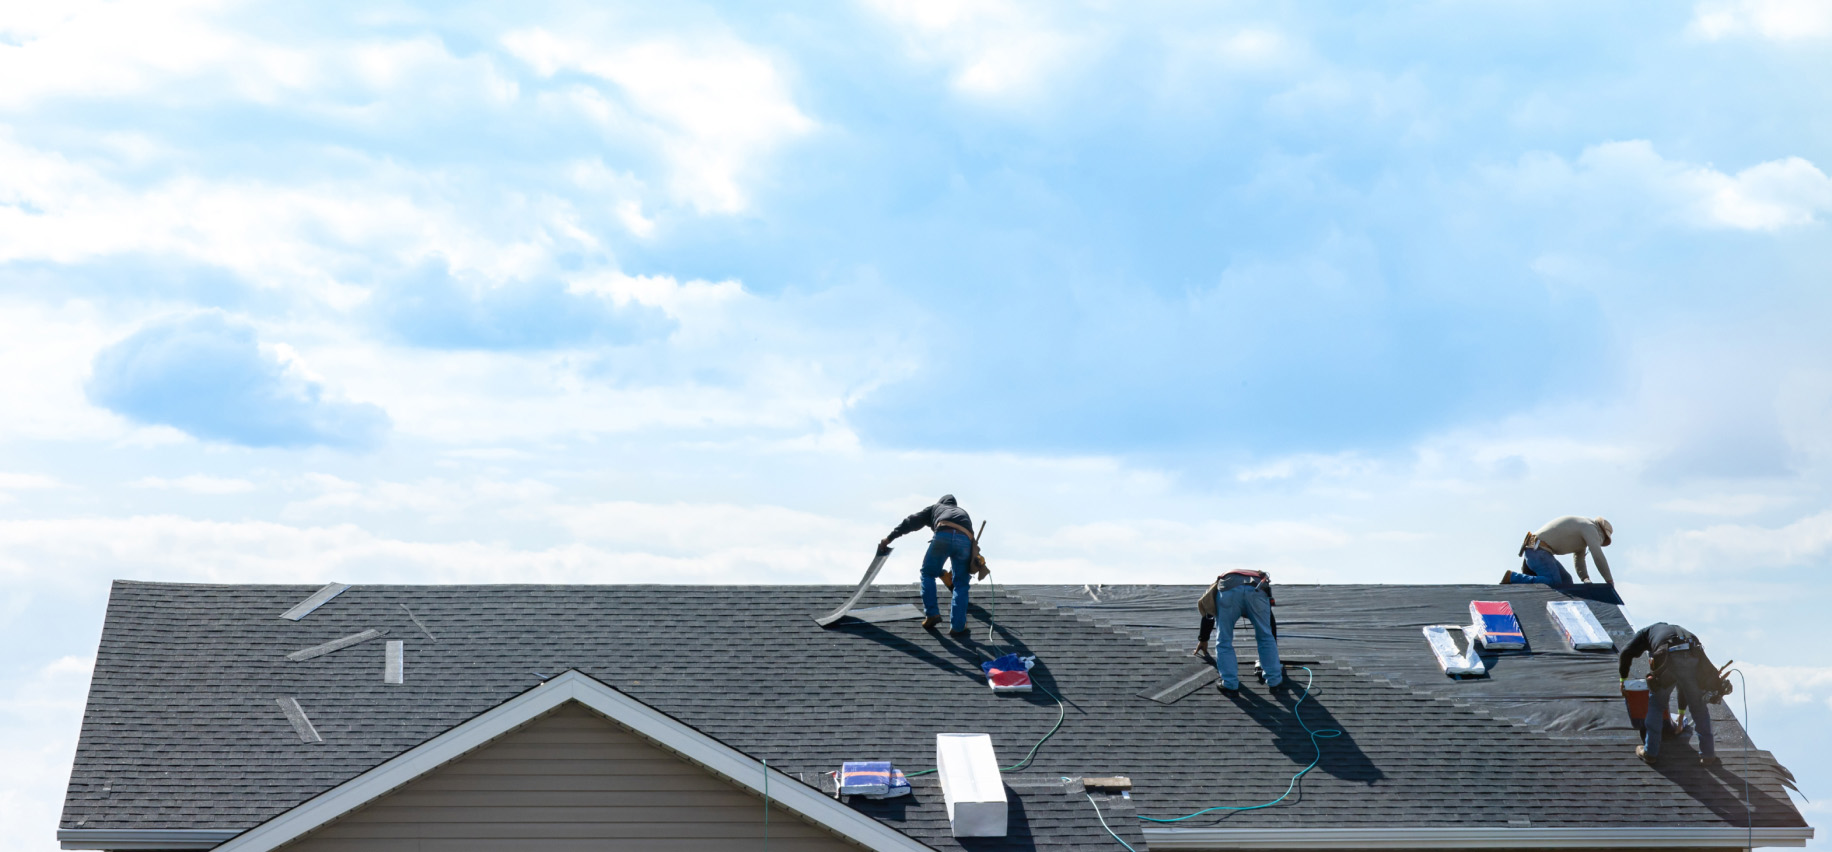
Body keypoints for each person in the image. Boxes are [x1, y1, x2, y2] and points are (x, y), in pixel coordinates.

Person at [1619, 622, 1723, 766]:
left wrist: (1623, 680)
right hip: (1693, 655)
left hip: (1669, 657)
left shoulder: (1644, 634)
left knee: (1656, 704)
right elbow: (1684, 686)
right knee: (1699, 707)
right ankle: (1708, 755)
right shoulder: (1678, 632)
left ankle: (1650, 752)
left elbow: (1626, 652)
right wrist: (1681, 716)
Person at [880, 495, 986, 636]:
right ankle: (958, 626)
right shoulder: (963, 513)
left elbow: (911, 522)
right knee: (961, 584)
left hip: (943, 535)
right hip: (965, 541)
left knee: (928, 573)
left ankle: (932, 614)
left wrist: (889, 538)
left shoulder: (936, 508)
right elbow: (965, 542)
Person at [1194, 569, 1282, 692]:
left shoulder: (1223, 581)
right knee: (1265, 637)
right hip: (1257, 589)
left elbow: (1209, 612)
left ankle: (1229, 684)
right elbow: (1270, 625)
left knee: (1224, 639)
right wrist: (1272, 655)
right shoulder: (1256, 582)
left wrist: (1203, 639)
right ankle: (1274, 682)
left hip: (1228, 590)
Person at [1503, 516, 1613, 585]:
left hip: (1539, 551)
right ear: (1601, 533)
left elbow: (1579, 558)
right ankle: (1513, 577)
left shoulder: (1583, 529)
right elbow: (1598, 555)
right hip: (1538, 551)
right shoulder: (1590, 528)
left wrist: (1585, 578)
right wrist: (1609, 581)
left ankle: (1527, 582)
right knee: (1554, 582)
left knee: (1566, 583)